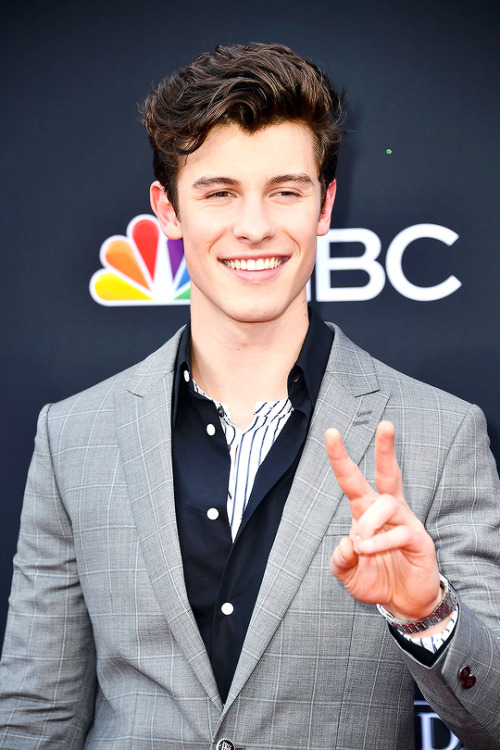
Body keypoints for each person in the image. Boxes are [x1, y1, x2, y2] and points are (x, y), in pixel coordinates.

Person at [0, 42, 499, 750]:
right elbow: (34, 717)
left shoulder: (439, 434)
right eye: (219, 192)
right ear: (167, 209)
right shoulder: (73, 436)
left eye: (286, 191)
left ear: (326, 205)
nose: (255, 227)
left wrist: (428, 616)